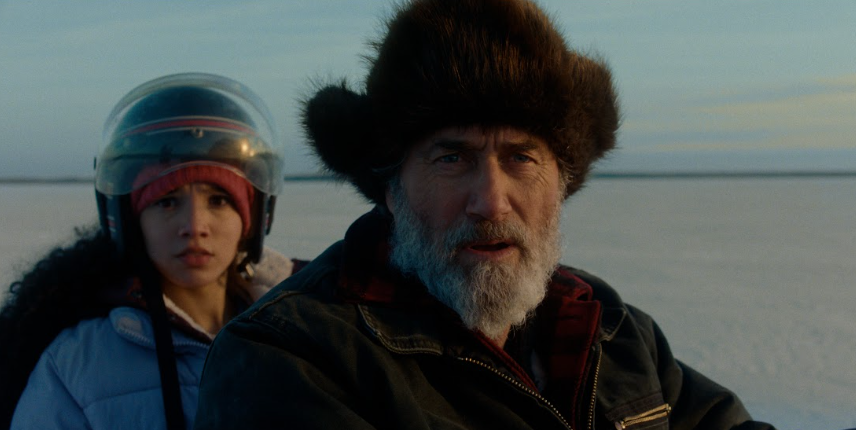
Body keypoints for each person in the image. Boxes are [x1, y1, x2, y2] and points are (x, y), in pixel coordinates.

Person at [194, 1, 775, 429]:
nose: (491, 201)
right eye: (452, 159)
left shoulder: (611, 328)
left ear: (561, 184)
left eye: (521, 158)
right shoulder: (288, 357)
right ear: (391, 187)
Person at [0, 72, 305, 430]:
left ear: (253, 217)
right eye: (167, 201)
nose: (194, 225)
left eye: (218, 200)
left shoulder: (306, 325)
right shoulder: (74, 367)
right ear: (129, 221)